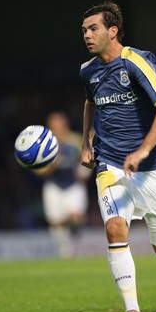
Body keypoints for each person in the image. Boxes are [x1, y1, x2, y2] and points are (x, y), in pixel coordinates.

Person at [79, 0, 156, 312]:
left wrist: (143, 150)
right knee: (115, 230)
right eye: (84, 30)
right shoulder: (88, 70)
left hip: (154, 167)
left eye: (93, 28)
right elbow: (89, 100)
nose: (86, 35)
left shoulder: (138, 63)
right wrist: (87, 142)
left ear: (112, 31)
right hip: (111, 164)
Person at [36, 111, 92, 258]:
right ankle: (66, 252)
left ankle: (76, 243)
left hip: (74, 185)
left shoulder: (75, 140)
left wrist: (83, 172)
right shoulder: (43, 145)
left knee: (75, 218)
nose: (58, 130)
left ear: (65, 126)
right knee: (57, 222)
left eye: (60, 126)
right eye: (54, 127)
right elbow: (39, 172)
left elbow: (87, 159)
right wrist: (52, 165)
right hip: (54, 186)